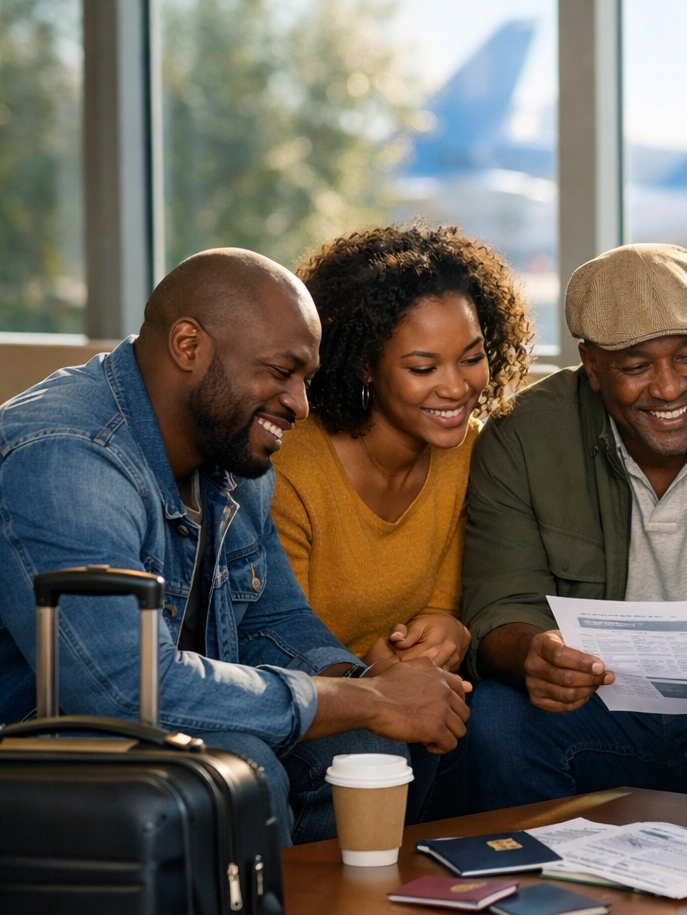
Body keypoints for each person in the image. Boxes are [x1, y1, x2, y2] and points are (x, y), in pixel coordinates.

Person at [0, 248, 471, 845]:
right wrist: (368, 697)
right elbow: (125, 690)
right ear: (189, 346)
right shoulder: (67, 457)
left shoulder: (229, 454)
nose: (299, 405)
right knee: (239, 771)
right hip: (36, 743)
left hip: (160, 722)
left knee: (375, 745)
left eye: (306, 380)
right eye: (281, 372)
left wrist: (378, 684)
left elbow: (276, 622)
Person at [461, 243, 687, 811]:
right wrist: (535, 653)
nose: (667, 389)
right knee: (493, 720)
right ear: (591, 366)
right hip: (596, 704)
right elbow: (499, 606)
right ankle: (547, 893)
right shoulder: (522, 437)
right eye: (636, 367)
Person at [270, 224, 533, 820]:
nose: (456, 387)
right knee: (382, 740)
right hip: (317, 707)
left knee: (487, 721)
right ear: (365, 364)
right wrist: (374, 677)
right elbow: (277, 637)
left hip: (418, 704)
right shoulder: (292, 464)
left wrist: (453, 631)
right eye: (422, 367)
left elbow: (449, 606)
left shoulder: (471, 455)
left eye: (471, 358)